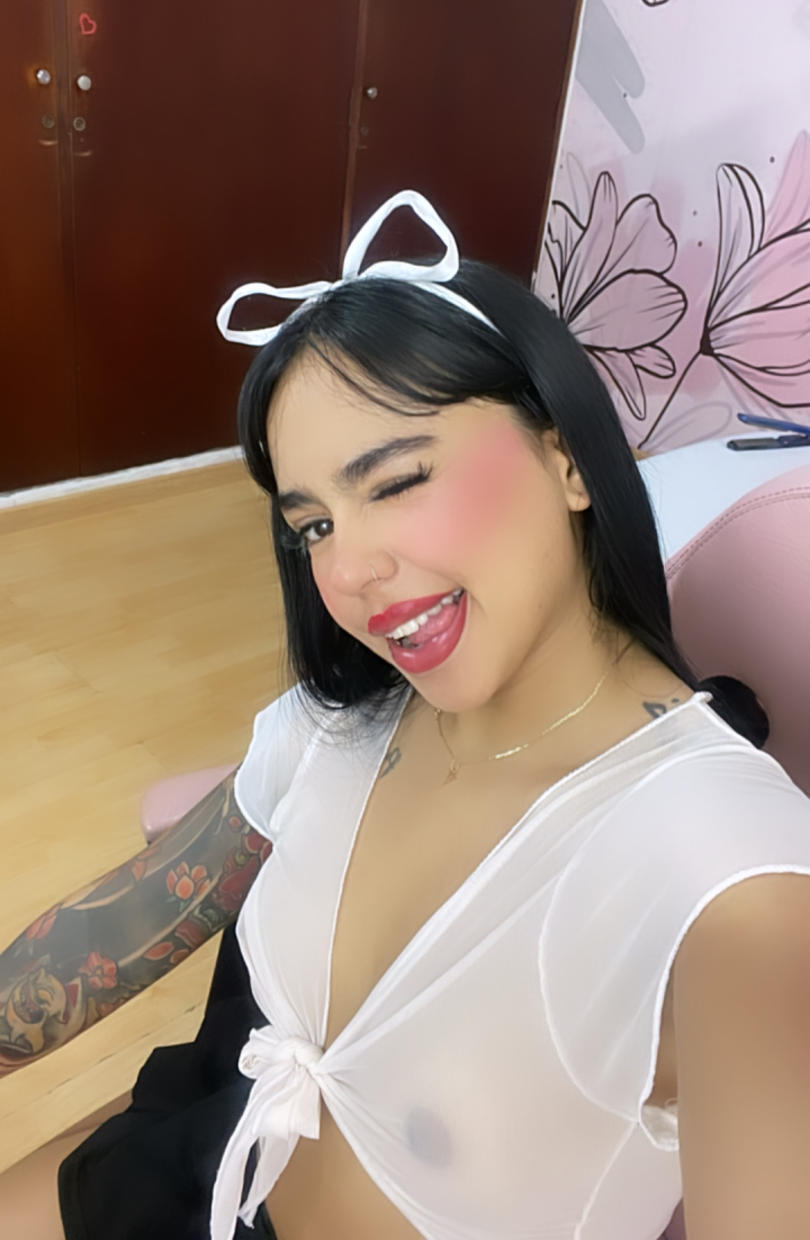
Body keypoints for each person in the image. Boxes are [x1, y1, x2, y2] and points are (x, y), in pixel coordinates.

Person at [2, 190, 808, 1240]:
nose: (347, 570)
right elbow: (115, 929)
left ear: (566, 455)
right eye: (313, 525)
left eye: (396, 482)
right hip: (197, 1158)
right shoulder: (341, 725)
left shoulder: (731, 889)